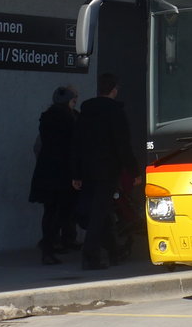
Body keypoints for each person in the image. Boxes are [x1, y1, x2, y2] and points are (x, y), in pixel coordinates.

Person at [72, 73, 139, 270]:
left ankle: (113, 251)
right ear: (114, 90)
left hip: (86, 170)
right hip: (107, 169)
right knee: (100, 213)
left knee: (100, 212)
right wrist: (133, 171)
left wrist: (75, 173)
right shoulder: (115, 112)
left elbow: (76, 144)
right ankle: (90, 256)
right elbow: (123, 145)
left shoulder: (85, 112)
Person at [28, 85, 80, 264]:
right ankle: (52, 244)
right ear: (69, 101)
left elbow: (39, 146)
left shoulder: (47, 118)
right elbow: (73, 148)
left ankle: (49, 246)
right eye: (74, 100)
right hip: (62, 172)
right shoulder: (70, 120)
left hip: (46, 172)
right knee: (62, 211)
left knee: (50, 211)